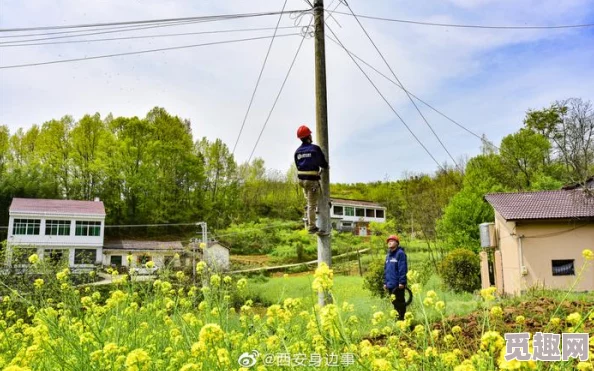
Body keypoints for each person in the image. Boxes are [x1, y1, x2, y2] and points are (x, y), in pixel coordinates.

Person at [294, 124, 329, 235]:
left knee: (310, 201)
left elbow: (298, 165)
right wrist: (325, 166)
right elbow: (322, 163)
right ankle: (312, 227)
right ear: (309, 136)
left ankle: (311, 214)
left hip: (301, 181)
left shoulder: (297, 151)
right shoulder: (314, 149)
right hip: (311, 181)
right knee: (312, 205)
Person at [383, 234, 408, 321]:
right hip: (390, 284)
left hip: (398, 285)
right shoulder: (388, 255)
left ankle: (402, 320)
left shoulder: (400, 254)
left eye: (392, 241)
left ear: (397, 243)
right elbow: (386, 270)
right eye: (389, 241)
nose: (390, 242)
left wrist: (402, 282)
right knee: (394, 303)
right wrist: (385, 283)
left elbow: (402, 268)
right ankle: (397, 321)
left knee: (400, 303)